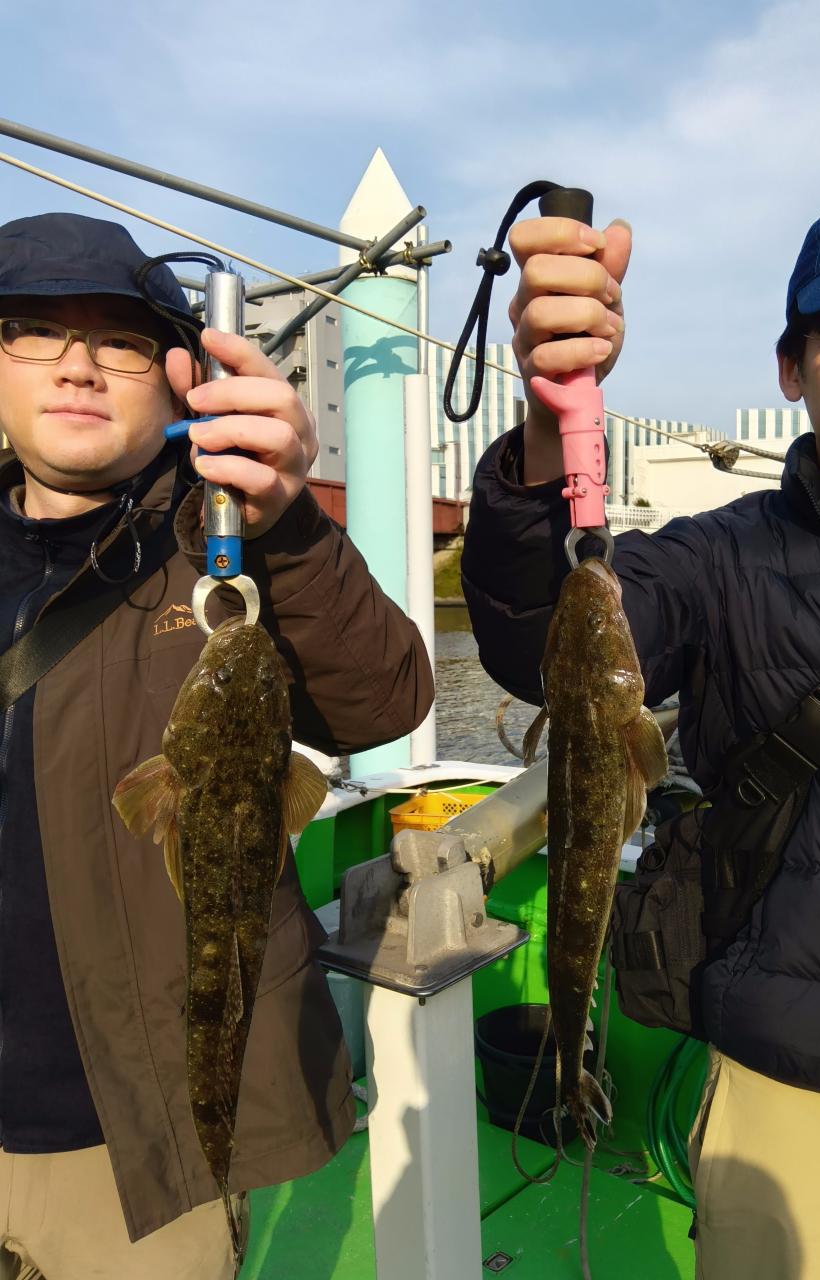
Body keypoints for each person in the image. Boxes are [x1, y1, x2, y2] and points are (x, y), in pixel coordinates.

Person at [461, 183, 820, 1279]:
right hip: (792, 1093)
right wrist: (547, 428)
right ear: (791, 367)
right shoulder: (713, 559)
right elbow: (539, 630)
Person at [0, 210, 434, 1280]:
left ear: (183, 378)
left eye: (122, 340)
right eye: (34, 330)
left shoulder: (226, 542)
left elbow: (383, 699)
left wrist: (290, 527)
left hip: (130, 1137)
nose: (78, 366)